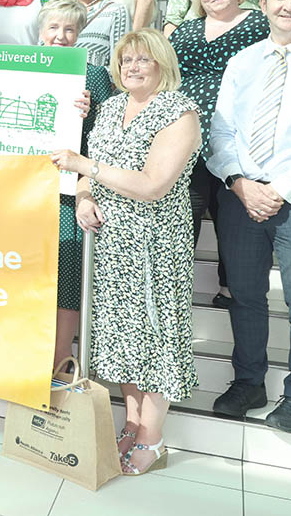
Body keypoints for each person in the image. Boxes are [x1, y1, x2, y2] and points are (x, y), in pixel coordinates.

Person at [52, 29, 201, 476]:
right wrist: (83, 197)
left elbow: (154, 184)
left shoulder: (179, 113)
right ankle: (132, 423)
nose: (133, 67)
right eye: (126, 60)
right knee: (121, 338)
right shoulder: (112, 107)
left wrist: (85, 167)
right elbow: (87, 176)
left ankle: (153, 440)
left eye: (143, 60)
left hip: (154, 244)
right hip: (110, 244)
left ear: (162, 64)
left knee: (155, 339)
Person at [208, 0, 291, 434]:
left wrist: (279, 189)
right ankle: (249, 382)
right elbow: (221, 130)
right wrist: (240, 182)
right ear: (262, 4)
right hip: (242, 197)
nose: (289, 5)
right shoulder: (242, 62)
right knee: (244, 297)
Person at [169, 0, 270, 309]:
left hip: (239, 136)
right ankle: (177, 289)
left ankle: (231, 287)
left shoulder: (259, 24)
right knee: (187, 213)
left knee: (231, 218)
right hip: (189, 140)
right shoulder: (186, 29)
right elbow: (167, 73)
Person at [37, 0, 113, 371]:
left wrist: (92, 110)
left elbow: (109, 136)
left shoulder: (95, 76)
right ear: (40, 33)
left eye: (69, 29)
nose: (61, 36)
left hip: (69, 192)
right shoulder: (22, 68)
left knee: (67, 277)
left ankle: (59, 361)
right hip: (26, 191)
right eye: (54, 27)